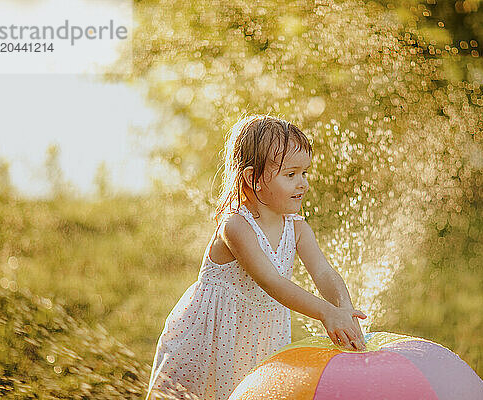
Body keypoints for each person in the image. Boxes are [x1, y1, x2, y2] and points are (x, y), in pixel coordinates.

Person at [146, 115, 368, 400]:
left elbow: (324, 272)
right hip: (213, 339)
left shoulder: (297, 227)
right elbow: (271, 281)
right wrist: (326, 313)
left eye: (305, 173)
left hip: (260, 339)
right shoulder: (236, 226)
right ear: (253, 178)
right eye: (291, 175)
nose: (303, 184)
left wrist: (343, 308)